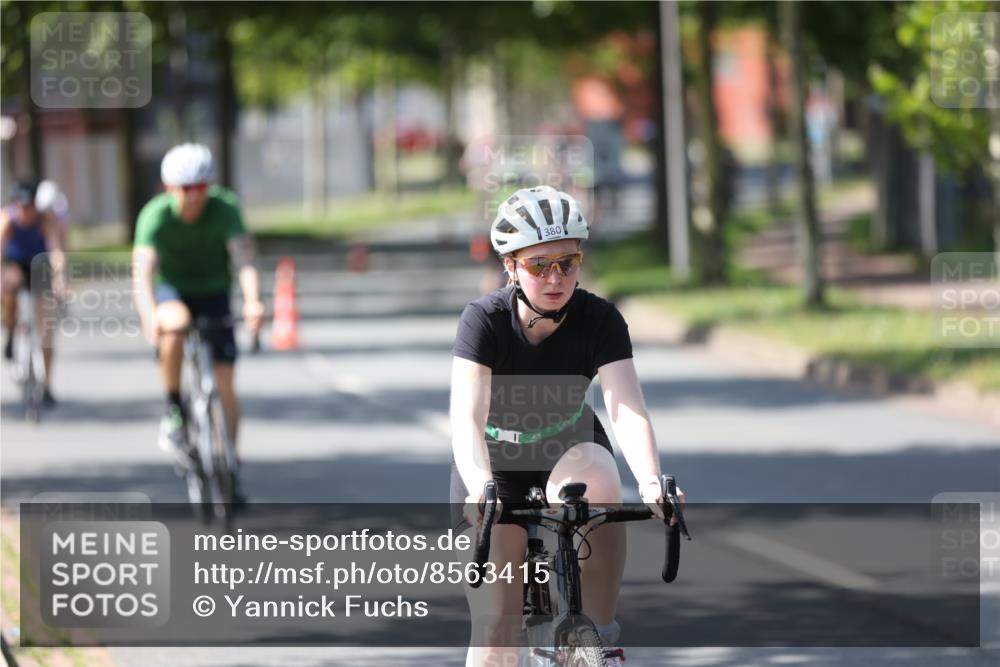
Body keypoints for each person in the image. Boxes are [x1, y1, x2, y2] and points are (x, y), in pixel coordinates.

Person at [449, 186, 684, 666]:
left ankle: (600, 639)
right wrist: (479, 486)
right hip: (497, 460)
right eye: (539, 265)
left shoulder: (600, 319)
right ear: (511, 266)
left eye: (568, 262)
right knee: (496, 626)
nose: (555, 277)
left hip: (568, 445)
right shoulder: (483, 321)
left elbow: (625, 407)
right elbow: (466, 417)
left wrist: (651, 481)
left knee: (598, 482)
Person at [132, 143, 264, 499]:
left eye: (200, 188)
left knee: (224, 382)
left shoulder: (225, 208)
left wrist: (253, 301)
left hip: (214, 291)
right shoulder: (155, 215)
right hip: (172, 290)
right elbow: (142, 272)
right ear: (169, 187)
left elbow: (245, 259)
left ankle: (231, 461)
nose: (193, 197)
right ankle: (175, 408)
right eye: (185, 189)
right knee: (175, 324)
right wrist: (148, 316)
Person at [1, 180, 65, 405]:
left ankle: (46, 384)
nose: (24, 209)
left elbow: (56, 250)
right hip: (15, 264)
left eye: (29, 205)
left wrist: (60, 277)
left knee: (46, 326)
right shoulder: (7, 220)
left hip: (39, 266)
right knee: (9, 283)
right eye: (20, 204)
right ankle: (10, 331)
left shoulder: (46, 220)